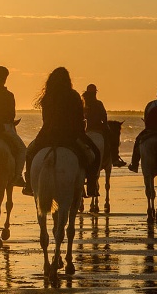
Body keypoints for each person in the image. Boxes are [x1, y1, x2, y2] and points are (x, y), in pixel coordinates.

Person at [22, 67, 100, 197]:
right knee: (94, 154)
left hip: (47, 136)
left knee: (29, 153)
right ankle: (91, 185)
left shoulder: (47, 97)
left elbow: (45, 119)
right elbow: (79, 119)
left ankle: (29, 184)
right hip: (70, 137)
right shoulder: (74, 95)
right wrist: (80, 133)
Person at [0, 66, 26, 186]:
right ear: (5, 78)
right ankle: (18, 176)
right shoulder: (9, 95)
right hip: (3, 129)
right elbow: (11, 115)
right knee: (22, 149)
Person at [82, 84, 126, 167]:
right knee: (113, 139)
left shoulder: (83, 103)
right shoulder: (98, 103)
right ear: (95, 93)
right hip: (98, 128)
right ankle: (115, 159)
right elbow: (104, 116)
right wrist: (106, 126)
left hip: (85, 129)